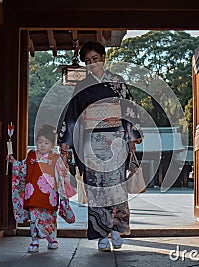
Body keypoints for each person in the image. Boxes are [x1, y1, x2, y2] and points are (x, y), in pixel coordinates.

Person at [58, 41, 143, 252]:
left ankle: (116, 230)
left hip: (116, 141)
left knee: (116, 188)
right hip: (91, 144)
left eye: (95, 59)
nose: (91, 64)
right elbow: (73, 116)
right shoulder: (81, 86)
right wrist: (66, 142)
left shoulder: (117, 82)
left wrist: (131, 136)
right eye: (87, 61)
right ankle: (101, 234)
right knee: (96, 189)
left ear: (103, 58)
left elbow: (128, 108)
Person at [7, 124, 76, 253]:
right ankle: (35, 241)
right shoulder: (31, 155)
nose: (42, 145)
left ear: (52, 145)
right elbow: (23, 168)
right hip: (33, 193)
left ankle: (52, 239)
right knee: (34, 218)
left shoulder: (55, 158)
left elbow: (62, 173)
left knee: (50, 218)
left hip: (50, 195)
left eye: (46, 142)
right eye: (40, 142)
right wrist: (14, 162)